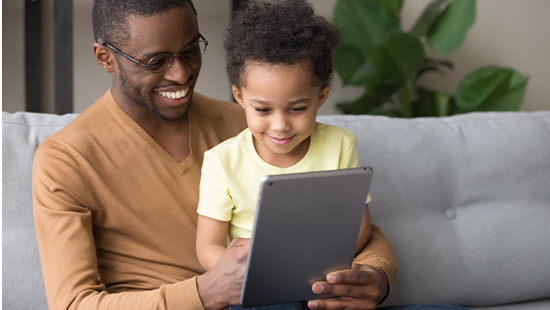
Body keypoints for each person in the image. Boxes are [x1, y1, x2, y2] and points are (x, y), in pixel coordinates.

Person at [32, 0, 398, 309]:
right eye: (155, 61)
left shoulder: (252, 122)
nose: (181, 73)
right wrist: (203, 293)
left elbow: (345, 224)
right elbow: (74, 304)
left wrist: (376, 276)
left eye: (190, 50)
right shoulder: (66, 159)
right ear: (105, 58)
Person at [195, 0, 372, 285]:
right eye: (263, 110)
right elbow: (207, 247)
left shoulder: (341, 144)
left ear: (321, 97)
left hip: (320, 277)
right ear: (240, 97)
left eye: (297, 109)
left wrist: (321, 265)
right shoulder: (222, 161)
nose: (280, 125)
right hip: (254, 282)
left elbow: (359, 225)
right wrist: (249, 271)